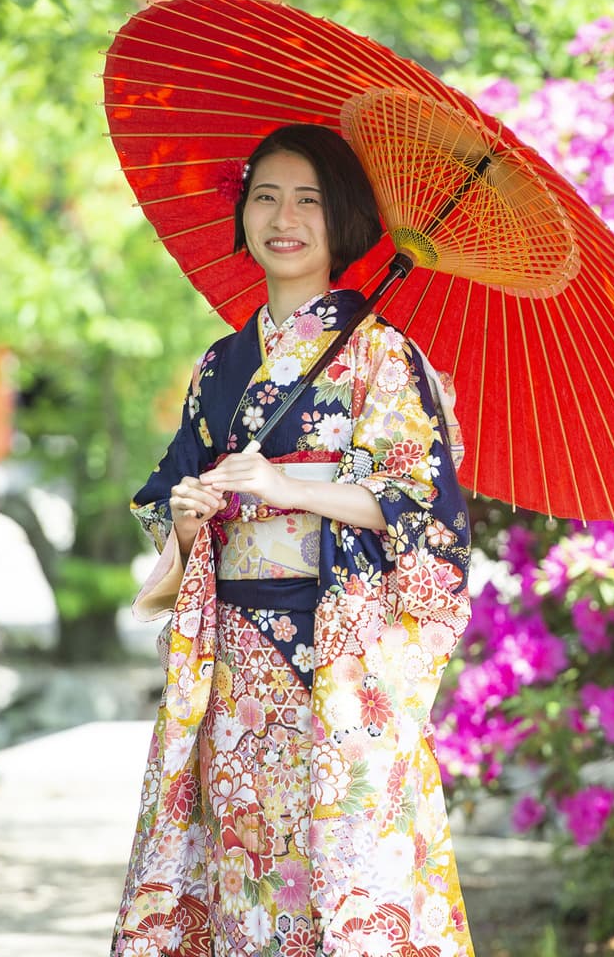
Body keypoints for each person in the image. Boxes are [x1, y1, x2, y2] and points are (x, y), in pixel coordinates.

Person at [111, 124, 475, 957]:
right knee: (246, 872)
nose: (284, 218)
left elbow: (425, 506)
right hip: (235, 662)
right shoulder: (220, 365)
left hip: (336, 657)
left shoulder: (384, 357)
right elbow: (168, 487)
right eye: (265, 197)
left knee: (338, 871)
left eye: (308, 200)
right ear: (242, 216)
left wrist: (282, 487)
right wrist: (191, 515)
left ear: (341, 220)